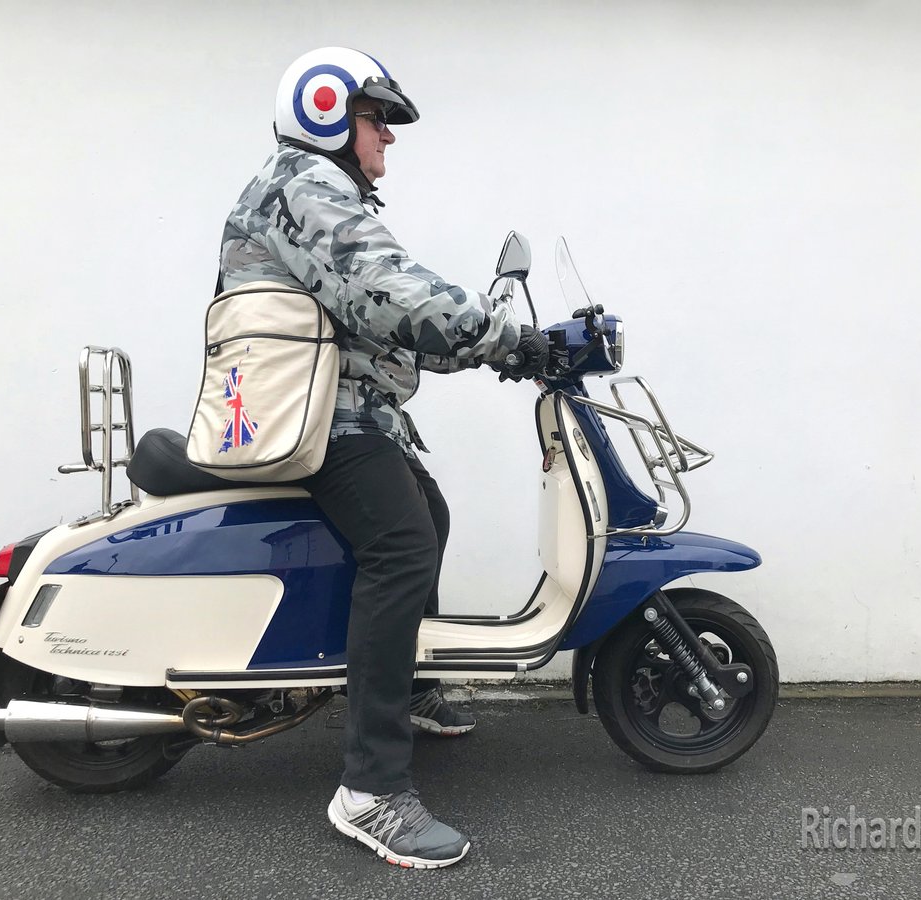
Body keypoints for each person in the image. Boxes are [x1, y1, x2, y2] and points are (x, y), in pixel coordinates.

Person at [216, 47, 549, 869]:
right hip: (318, 416)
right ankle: (370, 791)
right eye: (377, 121)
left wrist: (488, 344)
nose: (387, 140)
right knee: (400, 543)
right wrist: (508, 337)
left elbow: (380, 317)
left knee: (425, 512)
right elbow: (392, 290)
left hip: (346, 407)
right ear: (327, 112)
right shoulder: (304, 187)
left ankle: (410, 686)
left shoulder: (319, 194)